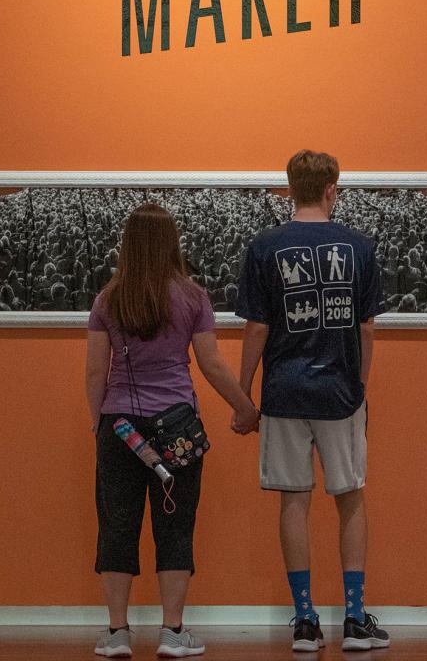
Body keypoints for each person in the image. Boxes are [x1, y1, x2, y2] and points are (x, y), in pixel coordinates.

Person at [86, 202, 260, 659]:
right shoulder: (193, 297)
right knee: (176, 529)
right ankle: (172, 632)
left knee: (117, 527)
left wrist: (98, 421)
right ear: (171, 244)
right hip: (178, 428)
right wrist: (246, 409)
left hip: (119, 429)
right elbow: (212, 365)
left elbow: (93, 373)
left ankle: (118, 634)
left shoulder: (108, 299)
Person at [233, 150, 391, 652]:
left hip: (283, 390)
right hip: (341, 391)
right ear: (331, 189)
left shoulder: (265, 245)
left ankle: (304, 620)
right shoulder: (359, 245)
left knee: (294, 501)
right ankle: (354, 617)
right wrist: (361, 387)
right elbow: (366, 328)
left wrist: (243, 393)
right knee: (350, 498)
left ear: (289, 188)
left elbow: (257, 326)